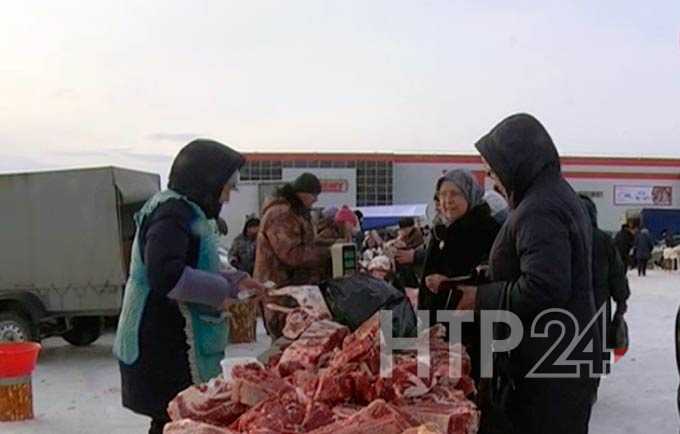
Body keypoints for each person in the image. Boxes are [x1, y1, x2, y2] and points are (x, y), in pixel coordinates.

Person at [457, 114, 600, 434]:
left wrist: (481, 296)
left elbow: (545, 286)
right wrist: (490, 274)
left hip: (549, 368)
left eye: (494, 170)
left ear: (516, 162)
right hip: (557, 359)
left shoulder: (540, 207)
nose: (492, 180)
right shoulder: (548, 196)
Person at [113, 139, 266, 434]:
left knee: (179, 423)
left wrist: (237, 280)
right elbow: (166, 275)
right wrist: (223, 291)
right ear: (205, 181)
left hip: (172, 345)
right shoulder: (171, 214)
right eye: (227, 187)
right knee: (172, 421)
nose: (228, 197)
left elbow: (200, 261)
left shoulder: (189, 211)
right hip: (162, 345)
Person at [418, 169, 501, 383]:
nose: (447, 201)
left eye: (455, 194)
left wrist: (447, 284)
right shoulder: (440, 230)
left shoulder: (487, 230)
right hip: (439, 330)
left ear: (470, 194)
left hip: (474, 331)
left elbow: (491, 277)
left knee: (472, 389)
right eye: (442, 195)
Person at [253, 173, 330, 338]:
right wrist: (328, 253)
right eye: (314, 195)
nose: (316, 200)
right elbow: (291, 254)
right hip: (279, 291)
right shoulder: (281, 214)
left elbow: (307, 245)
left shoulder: (297, 212)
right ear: (302, 193)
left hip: (293, 290)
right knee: (285, 342)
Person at [579, 195, 630, 368]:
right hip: (599, 306)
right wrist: (621, 301)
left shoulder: (563, 237)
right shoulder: (604, 240)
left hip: (569, 305)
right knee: (596, 347)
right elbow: (617, 274)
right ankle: (592, 384)